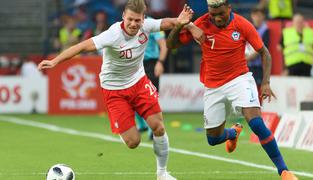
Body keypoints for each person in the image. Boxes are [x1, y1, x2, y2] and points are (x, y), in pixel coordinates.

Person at [38, 1, 200, 179]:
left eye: (137, 20)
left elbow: (170, 22)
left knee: (158, 127)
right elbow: (82, 46)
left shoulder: (146, 26)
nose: (133, 24)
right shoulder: (113, 34)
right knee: (133, 142)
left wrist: (188, 24)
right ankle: (123, 126)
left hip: (138, 82)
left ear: (143, 19)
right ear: (123, 16)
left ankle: (162, 173)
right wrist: (55, 61)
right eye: (130, 19)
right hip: (114, 91)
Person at [166, 0, 298, 179]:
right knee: (213, 139)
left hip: (239, 79)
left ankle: (284, 170)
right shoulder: (201, 24)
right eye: (213, 15)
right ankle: (233, 132)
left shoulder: (242, 25)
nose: (217, 18)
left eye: (221, 13)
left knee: (256, 123)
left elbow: (265, 53)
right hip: (213, 85)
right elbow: (171, 45)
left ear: (229, 8)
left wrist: (266, 83)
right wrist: (180, 25)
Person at [135, 17, 168, 140]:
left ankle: (151, 129)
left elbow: (163, 46)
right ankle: (142, 125)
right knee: (132, 96)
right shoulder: (130, 24)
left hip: (151, 64)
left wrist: (160, 62)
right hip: (135, 64)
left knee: (150, 97)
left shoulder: (153, 25)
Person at [245, 7, 270, 104]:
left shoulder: (265, 30)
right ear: (252, 16)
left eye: (259, 16)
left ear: (263, 17)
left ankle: (259, 108)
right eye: (255, 15)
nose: (257, 18)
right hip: (248, 65)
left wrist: (247, 58)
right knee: (248, 88)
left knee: (259, 87)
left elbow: (263, 49)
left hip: (259, 65)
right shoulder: (248, 28)